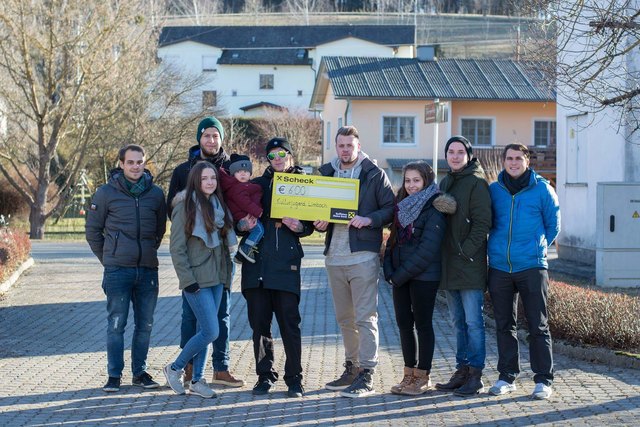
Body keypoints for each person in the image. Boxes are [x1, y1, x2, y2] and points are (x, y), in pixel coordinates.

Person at [314, 125, 395, 398]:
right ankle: (352, 367)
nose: (345, 149)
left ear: (358, 146)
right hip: (334, 257)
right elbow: (317, 209)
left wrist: (369, 219)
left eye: (350, 145)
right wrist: (319, 222)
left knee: (365, 316)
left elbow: (390, 210)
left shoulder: (374, 174)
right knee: (345, 318)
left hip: (362, 255)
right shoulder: (326, 173)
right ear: (335, 146)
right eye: (341, 145)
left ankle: (368, 373)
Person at [166, 117, 244, 388]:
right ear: (199, 137)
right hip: (197, 261)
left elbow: (239, 202)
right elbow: (175, 214)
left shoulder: (231, 168)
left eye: (216, 136)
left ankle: (218, 369)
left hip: (222, 257)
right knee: (196, 318)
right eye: (207, 135)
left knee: (222, 315)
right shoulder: (181, 171)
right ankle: (185, 367)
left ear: (222, 139)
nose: (211, 140)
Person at [85, 144, 167, 393]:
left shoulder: (155, 194)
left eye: (140, 162)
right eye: (130, 162)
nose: (135, 166)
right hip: (117, 271)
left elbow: (159, 230)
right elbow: (92, 231)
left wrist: (148, 253)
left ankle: (139, 373)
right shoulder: (106, 193)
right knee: (116, 324)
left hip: (147, 270)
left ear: (145, 163)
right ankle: (114, 375)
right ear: (121, 164)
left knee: (145, 325)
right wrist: (109, 258)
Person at [238, 137, 313, 398]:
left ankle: (295, 378)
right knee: (260, 327)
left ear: (290, 156)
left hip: (286, 266)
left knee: (290, 325)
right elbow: (236, 216)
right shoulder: (255, 186)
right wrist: (241, 226)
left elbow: (313, 223)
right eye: (271, 155)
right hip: (256, 266)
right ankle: (264, 375)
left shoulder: (305, 186)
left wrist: (300, 226)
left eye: (282, 153)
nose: (277, 159)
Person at [487, 143, 560, 400]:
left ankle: (543, 380)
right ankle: (507, 376)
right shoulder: (494, 190)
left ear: (527, 161)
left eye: (519, 158)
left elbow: (553, 224)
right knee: (504, 325)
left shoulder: (542, 189)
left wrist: (536, 248)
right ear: (504, 161)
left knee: (538, 325)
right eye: (509, 158)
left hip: (532, 266)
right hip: (499, 266)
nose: (514, 162)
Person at [163, 162, 235, 398]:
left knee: (204, 330)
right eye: (205, 178)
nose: (210, 182)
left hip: (216, 279)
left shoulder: (217, 206)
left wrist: (225, 278)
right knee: (211, 332)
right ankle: (174, 368)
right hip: (196, 280)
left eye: (213, 178)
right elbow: (177, 249)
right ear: (196, 180)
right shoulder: (184, 207)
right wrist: (187, 280)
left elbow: (223, 247)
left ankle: (197, 380)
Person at [383, 161, 455, 396]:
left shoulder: (435, 207)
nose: (411, 185)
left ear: (426, 181)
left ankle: (423, 376)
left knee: (422, 325)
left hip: (424, 276)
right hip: (401, 276)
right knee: (404, 324)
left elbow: (428, 250)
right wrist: (388, 268)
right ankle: (408, 375)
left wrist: (399, 276)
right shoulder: (401, 205)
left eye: (416, 180)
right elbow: (392, 240)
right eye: (408, 180)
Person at [435, 135, 492, 397]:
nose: (455, 156)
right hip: (449, 264)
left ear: (468, 155)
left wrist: (466, 252)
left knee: (473, 322)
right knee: (457, 321)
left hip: (469, 264)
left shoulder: (477, 183)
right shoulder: (446, 181)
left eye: (460, 152)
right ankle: (461, 371)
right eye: (451, 152)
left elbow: (483, 224)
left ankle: (476, 375)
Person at [219, 154, 264, 263]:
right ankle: (246, 249)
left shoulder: (246, 186)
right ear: (233, 174)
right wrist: (258, 212)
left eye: (246, 171)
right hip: (243, 215)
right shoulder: (237, 187)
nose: (243, 174)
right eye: (239, 172)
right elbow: (244, 203)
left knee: (258, 230)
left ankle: (240, 256)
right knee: (259, 230)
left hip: (245, 214)